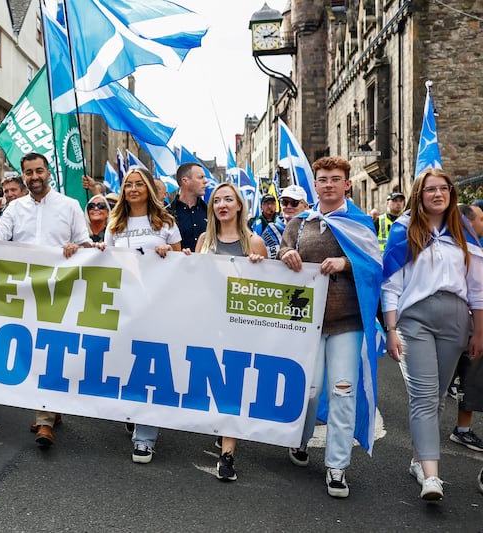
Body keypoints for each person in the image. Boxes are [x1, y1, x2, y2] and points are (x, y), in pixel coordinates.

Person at [279, 156, 382, 499]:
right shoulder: (300, 222)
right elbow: (283, 248)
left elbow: (374, 264)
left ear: (346, 184)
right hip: (307, 323)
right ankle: (300, 440)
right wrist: (285, 256)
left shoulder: (360, 222)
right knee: (308, 390)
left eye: (335, 179)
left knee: (342, 392)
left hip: (346, 323)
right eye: (322, 179)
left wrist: (346, 261)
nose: (328, 184)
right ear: (316, 185)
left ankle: (337, 466)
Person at [381, 169, 483, 502]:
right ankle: (432, 475)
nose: (437, 194)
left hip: (456, 320)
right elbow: (391, 284)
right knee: (425, 397)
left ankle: (417, 460)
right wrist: (391, 328)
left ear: (452, 193)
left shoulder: (464, 231)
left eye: (443, 188)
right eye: (430, 189)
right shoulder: (404, 229)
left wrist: (479, 331)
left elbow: (477, 288)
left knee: (437, 396)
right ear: (419, 194)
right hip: (415, 320)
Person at [0, 152, 92, 447]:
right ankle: (48, 409)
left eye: (39, 171)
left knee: (51, 352)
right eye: (28, 172)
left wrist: (75, 247)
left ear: (49, 173)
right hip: (24, 292)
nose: (34, 177)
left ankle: (44, 419)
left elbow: (87, 245)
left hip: (59, 292)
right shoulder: (15, 209)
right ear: (23, 175)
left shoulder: (70, 206)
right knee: (33, 352)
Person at [96, 167, 182, 463]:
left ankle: (145, 438)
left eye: (138, 184)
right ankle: (132, 409)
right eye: (127, 184)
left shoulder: (166, 222)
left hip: (156, 304)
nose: (132, 189)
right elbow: (104, 259)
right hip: (123, 304)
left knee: (149, 367)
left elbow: (183, 263)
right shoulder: (115, 223)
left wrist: (167, 253)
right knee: (124, 363)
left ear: (148, 187)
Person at [195, 181, 266, 480]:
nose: (222, 205)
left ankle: (227, 456)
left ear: (239, 206)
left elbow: (266, 290)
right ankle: (223, 428)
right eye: (216, 201)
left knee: (232, 385)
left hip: (240, 324)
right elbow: (192, 279)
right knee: (212, 381)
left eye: (228, 199)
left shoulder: (255, 242)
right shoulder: (204, 240)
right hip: (209, 322)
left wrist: (259, 266)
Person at [445, 203, 483, 453]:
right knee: (457, 377)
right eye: (481, 218)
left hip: (470, 323)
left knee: (472, 377)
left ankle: (463, 430)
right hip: (458, 321)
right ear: (469, 222)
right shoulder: (457, 250)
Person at [167, 162, 208, 251]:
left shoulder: (210, 212)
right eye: (200, 177)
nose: (205, 181)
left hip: (207, 264)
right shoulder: (166, 214)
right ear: (185, 181)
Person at [260, 185, 308, 259]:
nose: (288, 206)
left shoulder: (312, 230)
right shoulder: (270, 231)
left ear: (305, 206)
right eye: (284, 202)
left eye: (294, 203)